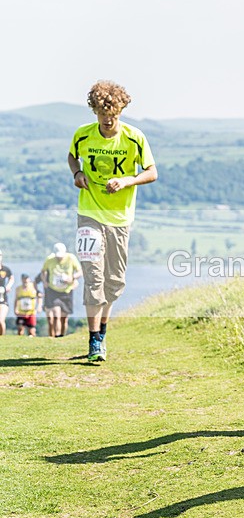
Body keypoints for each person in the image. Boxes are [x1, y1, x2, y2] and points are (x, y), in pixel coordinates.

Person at [67, 80, 158, 361]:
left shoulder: (134, 137)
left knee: (114, 282)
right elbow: (72, 157)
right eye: (102, 115)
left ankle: (102, 330)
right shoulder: (83, 135)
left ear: (121, 110)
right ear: (94, 111)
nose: (108, 121)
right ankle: (94, 341)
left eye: (113, 115)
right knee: (93, 278)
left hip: (120, 218)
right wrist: (77, 174)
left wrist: (129, 180)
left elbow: (152, 172)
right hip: (89, 215)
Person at [39, 242, 82, 337]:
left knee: (64, 318)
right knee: (56, 315)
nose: (59, 258)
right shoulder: (49, 259)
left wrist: (73, 277)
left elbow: (80, 272)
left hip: (67, 291)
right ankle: (56, 336)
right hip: (53, 290)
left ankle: (62, 335)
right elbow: (43, 271)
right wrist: (45, 281)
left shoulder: (71, 258)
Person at [0, 249, 13, 336]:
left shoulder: (5, 269)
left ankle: (2, 338)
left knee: (0, 320)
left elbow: (11, 278)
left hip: (3, 301)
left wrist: (8, 286)